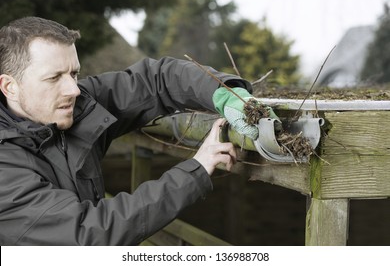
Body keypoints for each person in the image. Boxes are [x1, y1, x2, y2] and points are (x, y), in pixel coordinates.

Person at [0, 16, 264, 245]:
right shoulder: (5, 169)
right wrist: (194, 171)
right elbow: (87, 237)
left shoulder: (72, 106)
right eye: (54, 78)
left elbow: (155, 80)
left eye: (74, 74)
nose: (73, 89)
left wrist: (223, 93)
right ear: (9, 86)